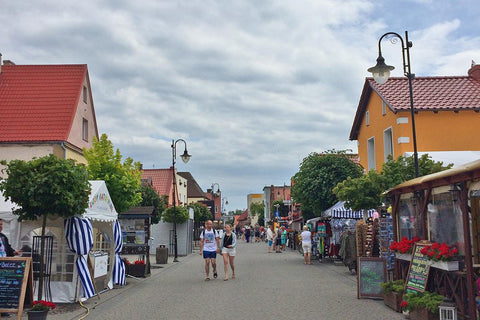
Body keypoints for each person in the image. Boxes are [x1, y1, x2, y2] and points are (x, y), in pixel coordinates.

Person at [0, 219, 22, 318]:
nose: (0, 226)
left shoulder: (3, 237)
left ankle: (3, 309)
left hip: (4, 267)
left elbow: (8, 249)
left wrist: (14, 253)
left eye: (1, 225)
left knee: (3, 288)